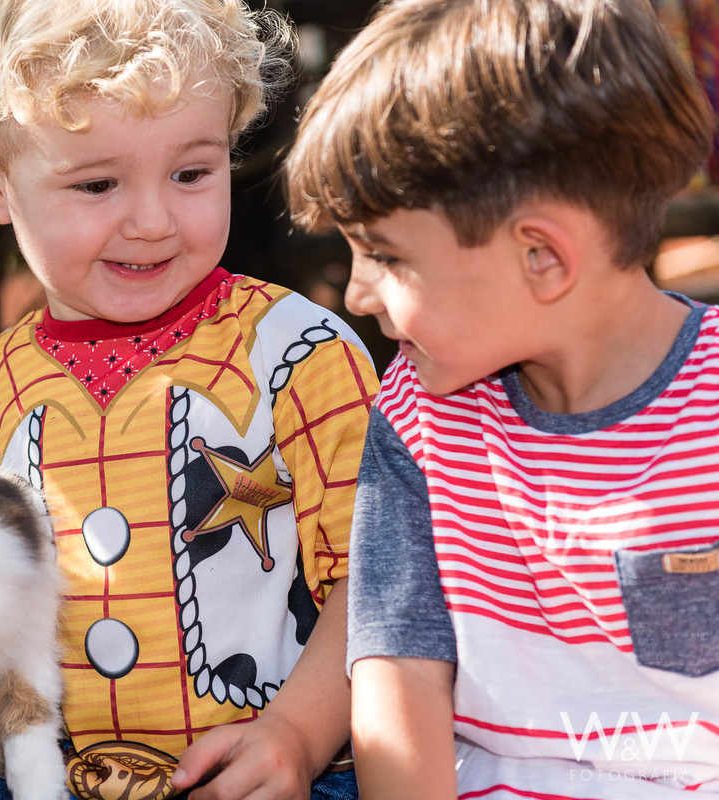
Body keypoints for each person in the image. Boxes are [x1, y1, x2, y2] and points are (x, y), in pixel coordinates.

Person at [0, 1, 378, 798]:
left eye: (192, 173)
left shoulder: (296, 353)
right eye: (97, 183)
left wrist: (296, 735)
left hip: (286, 774)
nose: (155, 221)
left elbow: (382, 578)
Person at [283, 0, 719, 797]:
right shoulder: (419, 418)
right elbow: (396, 678)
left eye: (383, 255)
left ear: (541, 258)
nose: (355, 295)